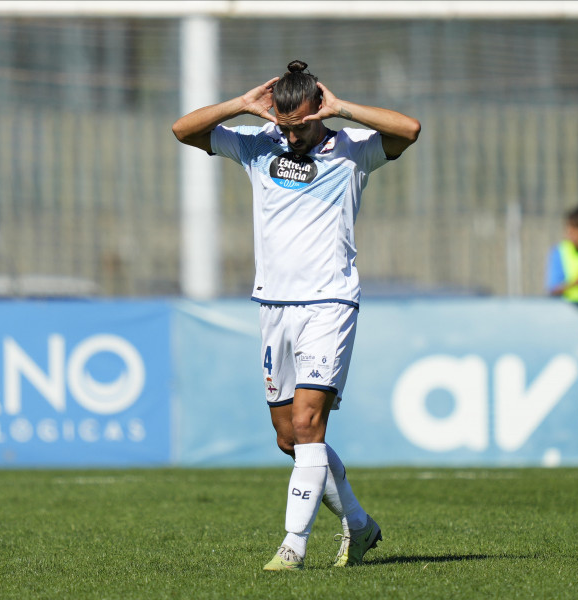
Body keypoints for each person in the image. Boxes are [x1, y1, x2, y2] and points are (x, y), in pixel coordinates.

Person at [172, 60, 420, 571]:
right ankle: (359, 523)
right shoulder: (258, 144)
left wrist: (344, 108)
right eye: (285, 125)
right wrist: (242, 105)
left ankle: (293, 545)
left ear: (319, 110)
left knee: (309, 424)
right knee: (290, 439)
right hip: (273, 305)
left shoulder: (353, 151)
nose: (292, 134)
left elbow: (409, 130)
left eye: (301, 124)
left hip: (329, 302)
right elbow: (183, 130)